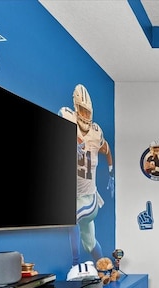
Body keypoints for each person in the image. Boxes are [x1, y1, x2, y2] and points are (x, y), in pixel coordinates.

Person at [59, 84, 114, 267]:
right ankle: (104, 267)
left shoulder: (96, 133)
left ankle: (75, 266)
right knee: (90, 242)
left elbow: (106, 149)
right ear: (76, 107)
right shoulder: (67, 116)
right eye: (82, 110)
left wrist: (111, 172)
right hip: (73, 196)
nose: (85, 115)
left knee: (72, 218)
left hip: (89, 197)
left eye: (88, 112)